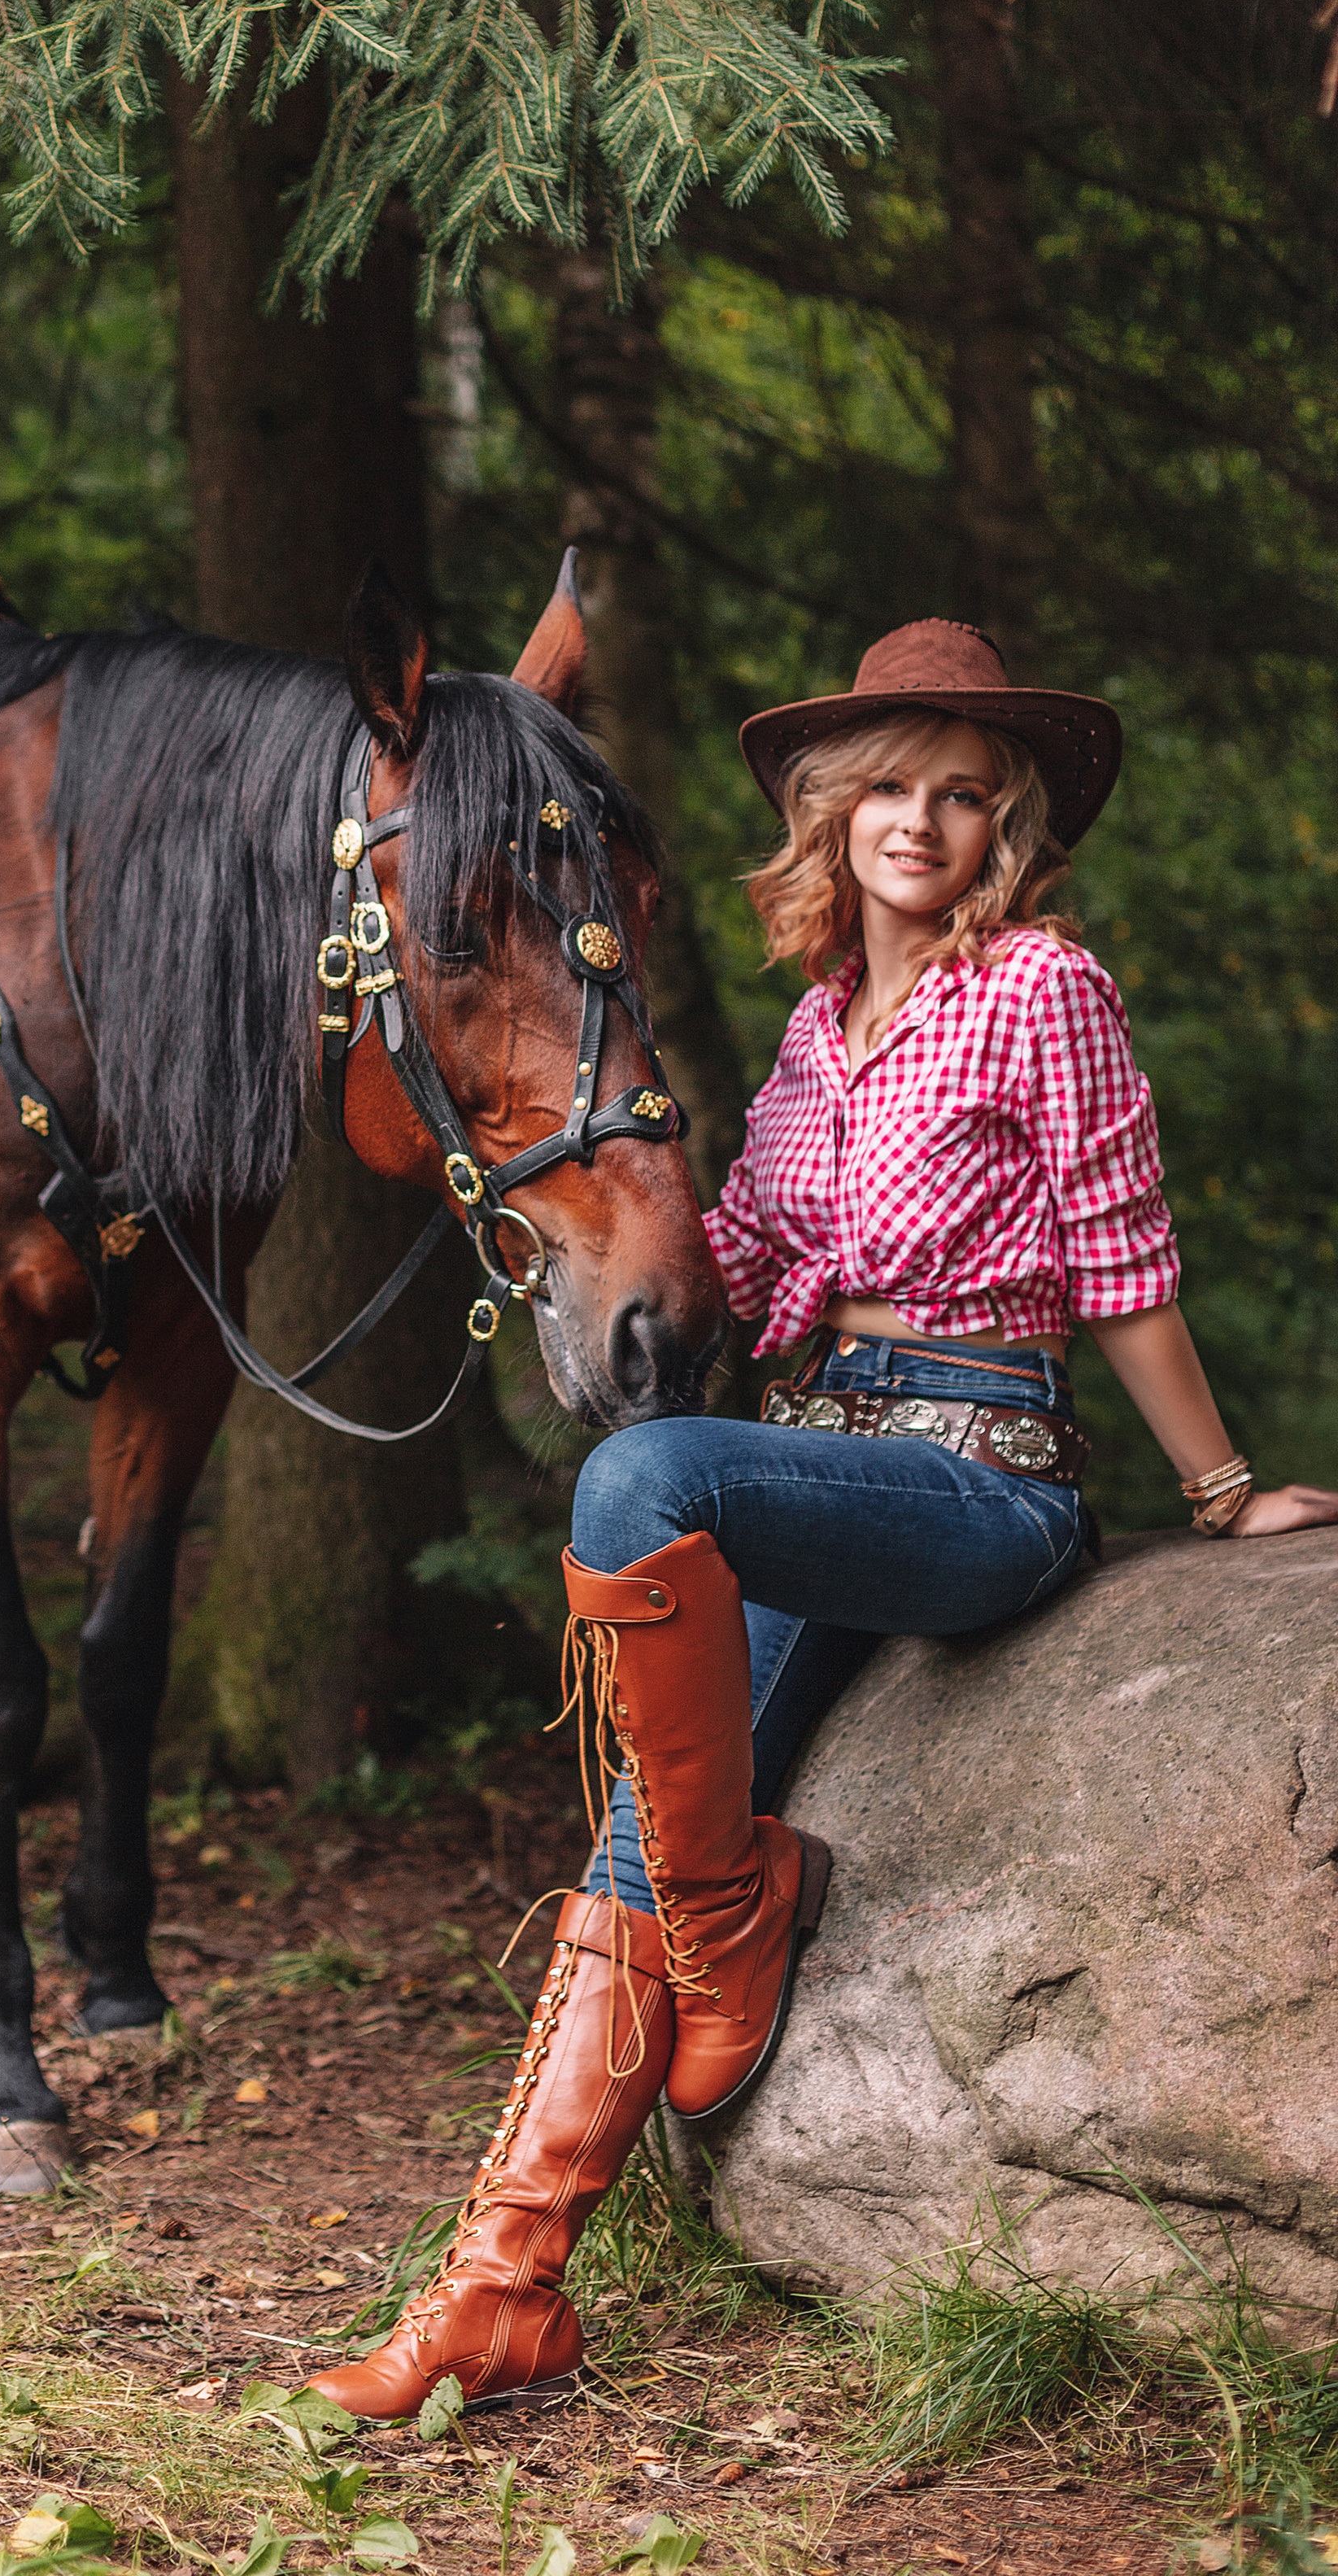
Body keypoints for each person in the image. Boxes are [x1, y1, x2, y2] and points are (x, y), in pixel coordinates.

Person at [309, 618, 1338, 2421]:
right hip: (826, 1465)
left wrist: (1220, 1490)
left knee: (642, 1484)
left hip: (979, 1478)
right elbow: (755, 1265)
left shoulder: (1040, 989)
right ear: (827, 812)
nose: (918, 822)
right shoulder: (811, 1030)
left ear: (1002, 825)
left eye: (960, 794)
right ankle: (502, 2289)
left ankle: (729, 1911)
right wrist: (529, 1213)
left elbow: (1118, 1259)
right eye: (885, 789)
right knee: (638, 1827)